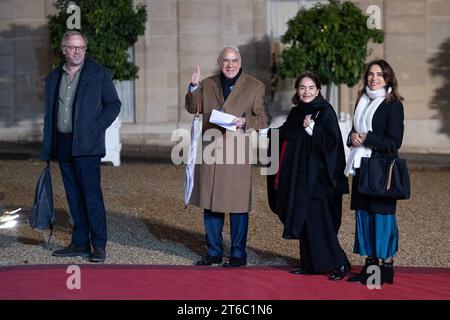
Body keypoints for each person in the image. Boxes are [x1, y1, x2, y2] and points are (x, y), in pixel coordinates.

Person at [185, 46, 270, 268]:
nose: (230, 65)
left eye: (234, 60)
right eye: (226, 61)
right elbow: (192, 108)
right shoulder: (207, 84)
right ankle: (213, 252)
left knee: (238, 206)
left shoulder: (255, 86)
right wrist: (193, 87)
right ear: (219, 62)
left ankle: (238, 254)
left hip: (236, 155)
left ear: (240, 62)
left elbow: (264, 119)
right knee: (211, 205)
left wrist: (245, 122)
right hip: (211, 153)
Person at [40, 30, 121, 262]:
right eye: (72, 47)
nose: (77, 51)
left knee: (91, 195)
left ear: (85, 50)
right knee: (73, 195)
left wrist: (96, 128)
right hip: (63, 143)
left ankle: (98, 244)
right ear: (64, 49)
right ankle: (79, 242)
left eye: (81, 48)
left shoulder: (99, 74)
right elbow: (51, 113)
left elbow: (113, 104)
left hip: (87, 145)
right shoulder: (55, 77)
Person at [267, 71, 350, 280]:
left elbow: (333, 144)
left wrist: (313, 129)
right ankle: (309, 263)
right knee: (304, 220)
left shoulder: (324, 111)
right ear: (297, 90)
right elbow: (286, 133)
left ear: (318, 90)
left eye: (311, 88)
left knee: (320, 222)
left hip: (319, 179)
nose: (306, 91)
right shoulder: (296, 112)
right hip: (300, 178)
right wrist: (265, 132)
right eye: (302, 88)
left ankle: (340, 264)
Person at [344, 59, 404, 285]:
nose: (374, 78)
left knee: (382, 218)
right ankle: (370, 266)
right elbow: (354, 131)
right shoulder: (362, 100)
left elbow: (394, 142)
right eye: (371, 74)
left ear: (388, 78)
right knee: (364, 217)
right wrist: (353, 137)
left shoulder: (393, 104)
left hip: (380, 170)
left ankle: (386, 267)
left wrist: (367, 138)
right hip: (361, 168)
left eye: (380, 74)